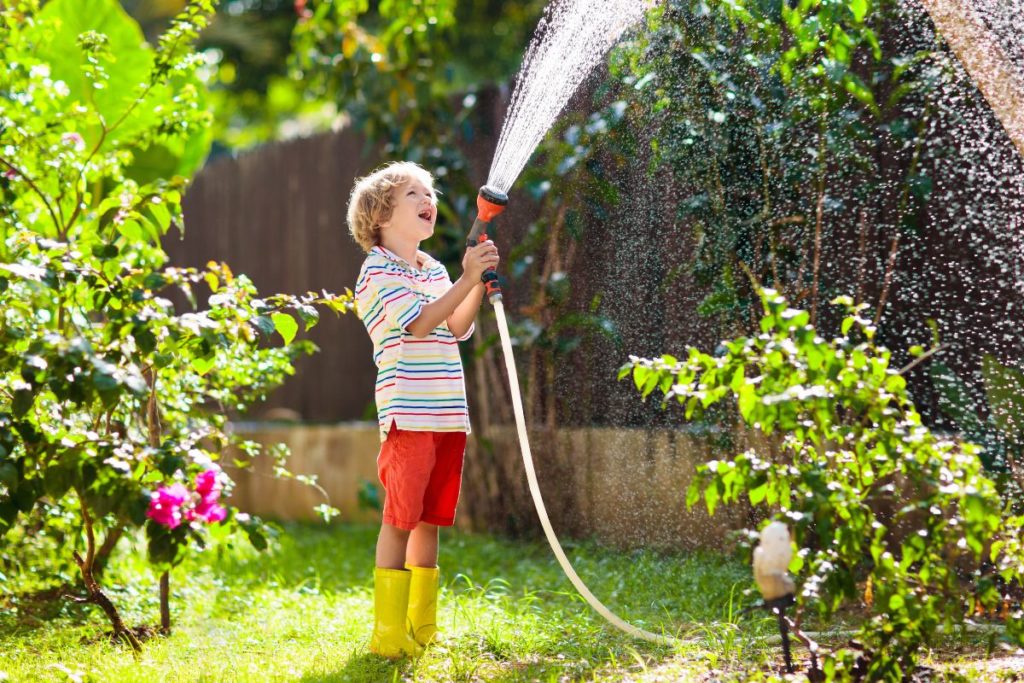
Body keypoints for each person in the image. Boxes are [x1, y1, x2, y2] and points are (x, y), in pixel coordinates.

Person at [348, 161, 500, 658]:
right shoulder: (377, 269)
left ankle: (422, 627)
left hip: (446, 414)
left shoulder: (432, 269)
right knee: (400, 518)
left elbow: (455, 326)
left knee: (430, 520)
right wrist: (467, 276)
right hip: (408, 414)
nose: (426, 198)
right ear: (380, 217)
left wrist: (475, 282)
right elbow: (417, 323)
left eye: (429, 191)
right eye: (413, 192)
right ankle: (388, 635)